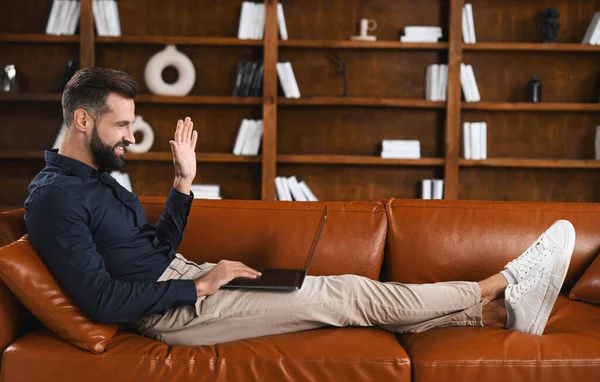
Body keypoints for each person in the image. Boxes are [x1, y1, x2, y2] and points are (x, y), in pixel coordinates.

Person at [24, 67, 576, 347]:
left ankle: (497, 317)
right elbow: (100, 300)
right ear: (82, 120)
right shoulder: (53, 199)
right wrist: (200, 287)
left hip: (186, 282)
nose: (129, 137)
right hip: (171, 312)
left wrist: (182, 184)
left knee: (344, 303)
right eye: (121, 125)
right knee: (350, 292)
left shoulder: (101, 179)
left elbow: (155, 250)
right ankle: (500, 283)